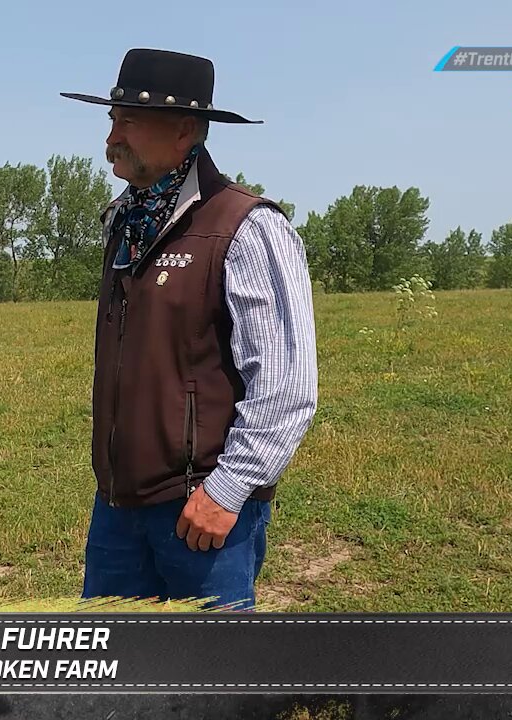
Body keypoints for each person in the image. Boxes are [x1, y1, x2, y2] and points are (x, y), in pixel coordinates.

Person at [61, 49, 319, 609]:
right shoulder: (125, 224)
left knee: (208, 685)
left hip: (199, 511)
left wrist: (226, 493)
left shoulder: (246, 227)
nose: (112, 136)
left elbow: (286, 386)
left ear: (185, 132)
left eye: (129, 120)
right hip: (117, 509)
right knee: (109, 681)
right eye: (112, 118)